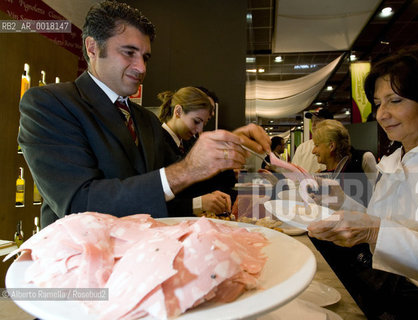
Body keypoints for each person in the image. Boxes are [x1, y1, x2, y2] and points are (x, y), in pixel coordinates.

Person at [18, 1, 270, 228]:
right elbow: (79, 204)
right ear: (93, 48)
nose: (141, 68)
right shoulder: (49, 104)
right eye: (129, 53)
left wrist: (226, 147)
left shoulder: (146, 120)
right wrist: (186, 170)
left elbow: (172, 189)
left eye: (145, 57)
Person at [308, 44, 418, 318]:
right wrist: (339, 200)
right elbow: (386, 221)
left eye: (395, 101)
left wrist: (376, 232)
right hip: (383, 290)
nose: (381, 114)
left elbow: (385, 231)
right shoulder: (397, 159)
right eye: (377, 103)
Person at [158, 86, 233, 216]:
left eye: (203, 124)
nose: (199, 130)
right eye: (196, 121)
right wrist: (199, 203)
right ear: (178, 111)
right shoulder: (157, 142)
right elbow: (154, 198)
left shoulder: (185, 144)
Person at [291, 108, 333, 173]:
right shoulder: (303, 148)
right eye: (312, 121)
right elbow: (293, 172)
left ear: (329, 123)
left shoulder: (335, 146)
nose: (313, 124)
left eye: (318, 120)